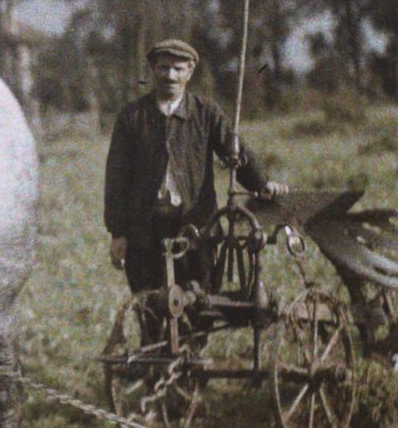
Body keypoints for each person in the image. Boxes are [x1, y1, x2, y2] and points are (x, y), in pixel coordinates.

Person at [104, 39, 288, 319]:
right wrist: (118, 232)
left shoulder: (206, 113)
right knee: (149, 306)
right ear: (153, 70)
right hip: (144, 230)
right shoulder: (132, 117)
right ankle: (153, 360)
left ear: (189, 72)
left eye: (178, 69)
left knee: (198, 303)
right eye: (163, 68)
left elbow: (234, 150)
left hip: (194, 227)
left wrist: (261, 183)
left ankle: (193, 357)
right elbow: (116, 177)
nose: (170, 76)